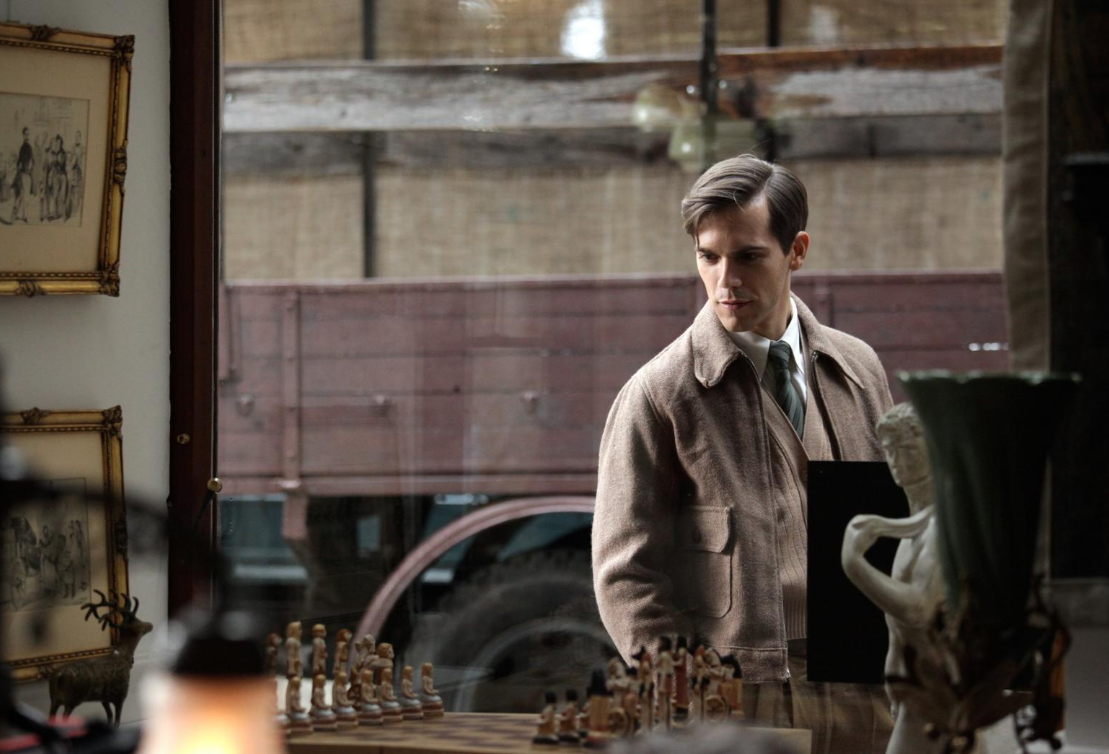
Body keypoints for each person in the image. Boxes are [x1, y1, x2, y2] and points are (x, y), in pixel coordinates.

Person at [592, 154, 894, 753]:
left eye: (749, 256)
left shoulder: (857, 369)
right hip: (738, 700)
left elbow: (888, 532)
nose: (725, 279)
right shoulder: (661, 394)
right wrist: (691, 701)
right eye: (708, 256)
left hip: (864, 683)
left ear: (797, 251)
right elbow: (626, 575)